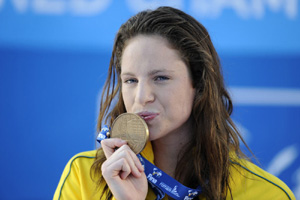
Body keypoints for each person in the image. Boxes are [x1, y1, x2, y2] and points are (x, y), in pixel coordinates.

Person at [53, 6, 295, 200]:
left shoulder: (266, 193)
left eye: (161, 78)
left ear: (199, 84)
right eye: (130, 80)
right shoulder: (84, 177)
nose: (141, 96)